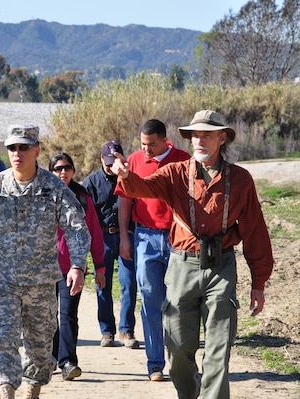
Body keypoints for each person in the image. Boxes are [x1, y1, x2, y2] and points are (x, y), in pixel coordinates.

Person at [110, 109, 273, 398]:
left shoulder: (241, 179)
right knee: (177, 349)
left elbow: (255, 232)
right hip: (182, 266)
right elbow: (144, 188)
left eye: (207, 134)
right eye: (195, 134)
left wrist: (259, 283)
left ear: (222, 138)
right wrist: (125, 176)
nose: (199, 140)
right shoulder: (175, 172)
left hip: (221, 268)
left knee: (218, 349)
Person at [0, 125, 91, 399]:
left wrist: (78, 265)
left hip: (42, 284)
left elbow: (76, 227)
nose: (17, 153)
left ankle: (32, 392)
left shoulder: (54, 188)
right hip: (3, 282)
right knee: (4, 341)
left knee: (40, 348)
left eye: (23, 147)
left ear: (37, 150)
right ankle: (6, 391)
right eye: (12, 147)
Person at [115, 119, 190, 382]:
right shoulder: (134, 161)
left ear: (164, 140)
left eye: (151, 144)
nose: (145, 149)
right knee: (149, 300)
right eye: (142, 144)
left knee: (178, 303)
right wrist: (124, 236)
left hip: (177, 239)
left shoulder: (183, 160)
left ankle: (180, 363)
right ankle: (154, 364)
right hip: (145, 238)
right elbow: (125, 201)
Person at [49, 152, 106, 381]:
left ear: (73, 170)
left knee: (68, 315)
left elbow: (94, 231)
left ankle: (68, 362)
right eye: (58, 168)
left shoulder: (82, 197)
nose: (63, 172)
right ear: (51, 171)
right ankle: (50, 357)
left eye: (67, 168)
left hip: (73, 267)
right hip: (44, 268)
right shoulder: (42, 194)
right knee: (47, 315)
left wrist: (99, 267)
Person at [82, 141, 139, 349]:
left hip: (126, 236)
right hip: (102, 238)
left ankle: (127, 330)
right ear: (100, 160)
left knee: (129, 283)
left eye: (114, 162)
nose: (110, 167)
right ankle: (107, 331)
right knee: (102, 285)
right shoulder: (91, 183)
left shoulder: (130, 179)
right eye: (107, 163)